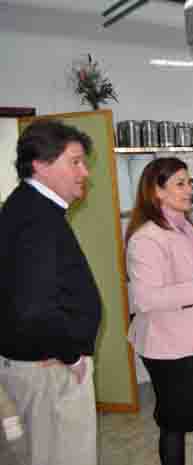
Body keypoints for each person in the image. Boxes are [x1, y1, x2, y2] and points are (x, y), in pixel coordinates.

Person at [0, 120, 102, 465]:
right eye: (75, 162)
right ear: (41, 165)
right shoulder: (37, 219)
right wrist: (71, 354)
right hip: (50, 370)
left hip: (41, 361)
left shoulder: (27, 207)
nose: (84, 172)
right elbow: (34, 307)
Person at [125, 157, 193, 465]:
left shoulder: (183, 228)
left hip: (190, 336)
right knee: (174, 420)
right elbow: (146, 299)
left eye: (189, 182)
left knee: (186, 417)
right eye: (180, 184)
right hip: (166, 344)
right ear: (157, 191)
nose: (189, 190)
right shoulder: (146, 238)